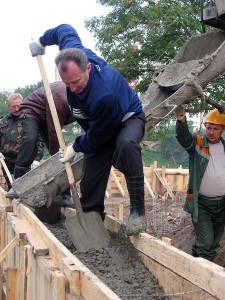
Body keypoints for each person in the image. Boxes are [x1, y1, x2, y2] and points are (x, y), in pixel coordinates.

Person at [29, 24, 147, 236]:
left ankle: (138, 212)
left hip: (126, 117)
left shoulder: (104, 94)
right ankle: (92, 222)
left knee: (125, 145)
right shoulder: (73, 53)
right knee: (92, 176)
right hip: (100, 124)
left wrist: (77, 145)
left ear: (89, 68)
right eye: (67, 83)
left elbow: (100, 135)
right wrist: (41, 42)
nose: (72, 88)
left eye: (76, 82)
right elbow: (64, 29)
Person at [6, 81, 75, 206]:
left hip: (47, 116)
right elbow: (54, 131)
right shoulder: (62, 99)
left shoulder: (85, 102)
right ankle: (16, 185)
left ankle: (66, 195)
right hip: (32, 110)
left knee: (62, 154)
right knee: (31, 140)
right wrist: (58, 158)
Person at [174, 105, 225, 261]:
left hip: (222, 205)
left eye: (215, 129)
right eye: (208, 128)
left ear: (222, 129)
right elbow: (184, 138)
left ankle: (195, 261)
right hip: (201, 204)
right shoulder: (197, 144)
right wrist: (181, 120)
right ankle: (203, 276)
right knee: (206, 243)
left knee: (213, 242)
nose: (211, 132)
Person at [0, 93, 43, 190]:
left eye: (18, 106)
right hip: (7, 163)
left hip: (24, 163)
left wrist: (37, 159)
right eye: (13, 106)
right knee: (12, 189)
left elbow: (39, 140)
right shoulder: (3, 121)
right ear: (9, 106)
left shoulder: (30, 120)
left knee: (25, 189)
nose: (16, 109)